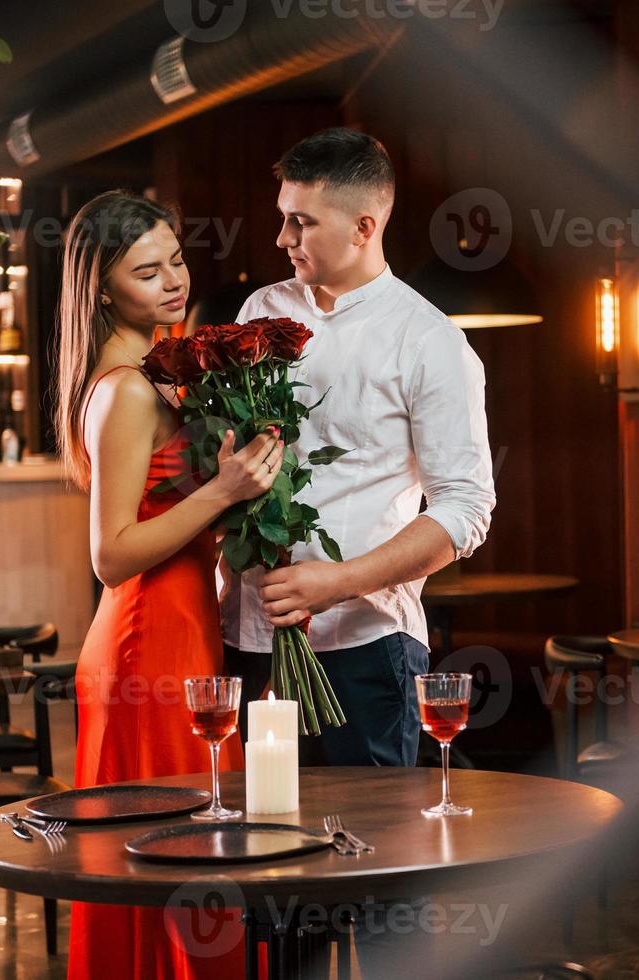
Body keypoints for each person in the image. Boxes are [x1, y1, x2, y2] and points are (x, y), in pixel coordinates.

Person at [54, 190, 280, 979]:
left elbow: (173, 519)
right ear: (103, 290)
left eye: (177, 261)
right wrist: (224, 494)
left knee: (187, 863)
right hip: (147, 649)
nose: (173, 283)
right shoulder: (122, 390)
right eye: (148, 273)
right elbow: (111, 555)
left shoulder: (158, 374)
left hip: (181, 634)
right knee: (182, 870)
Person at [220, 127, 497, 765]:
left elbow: (465, 508)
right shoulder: (260, 309)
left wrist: (339, 582)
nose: (282, 239)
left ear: (363, 227)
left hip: (368, 649)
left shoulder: (429, 340)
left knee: (367, 852)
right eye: (283, 219)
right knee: (258, 846)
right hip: (249, 637)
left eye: (300, 222)